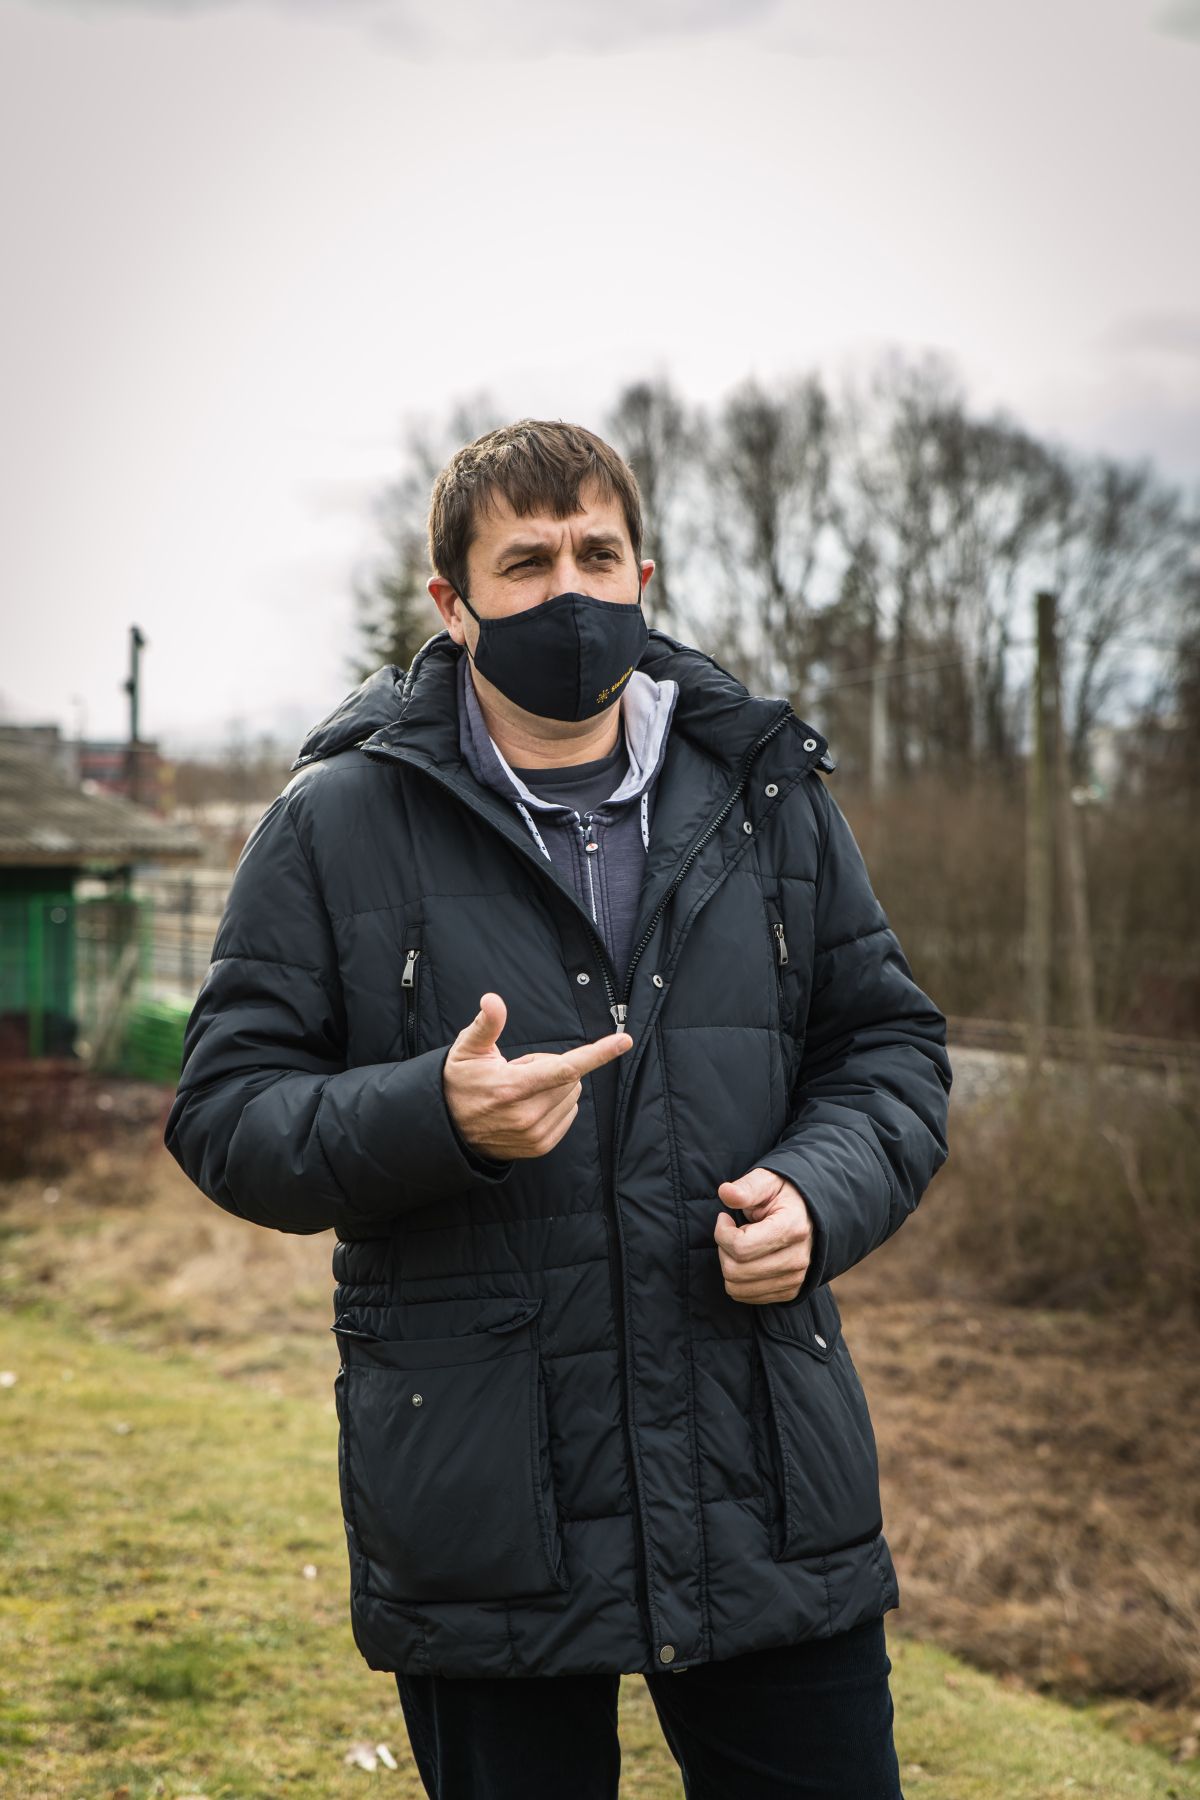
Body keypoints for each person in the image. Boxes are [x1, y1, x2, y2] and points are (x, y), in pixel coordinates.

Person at [164, 417, 952, 1799]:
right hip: (484, 1494)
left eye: (597, 554)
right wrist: (437, 1116)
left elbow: (889, 1048)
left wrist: (821, 1195)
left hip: (761, 1469)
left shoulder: (768, 795)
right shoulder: (337, 820)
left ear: (644, 574)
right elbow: (226, 1115)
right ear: (452, 603)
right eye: (526, 564)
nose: (571, 592)